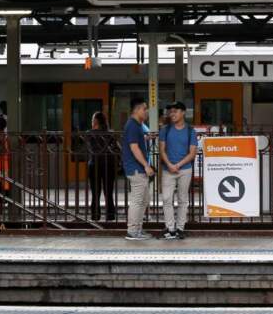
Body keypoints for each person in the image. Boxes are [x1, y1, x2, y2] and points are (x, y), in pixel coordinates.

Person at [158, 101, 198, 240]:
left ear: (183, 113)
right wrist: (169, 164)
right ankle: (170, 228)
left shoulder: (190, 130)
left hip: (185, 169)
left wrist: (178, 165)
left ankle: (180, 228)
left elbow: (192, 153)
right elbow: (161, 150)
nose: (172, 114)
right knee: (166, 199)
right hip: (168, 169)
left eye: (175, 111)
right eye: (171, 111)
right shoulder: (165, 130)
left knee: (182, 200)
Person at [122, 100, 155, 241]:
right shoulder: (133, 126)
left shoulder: (137, 126)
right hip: (136, 169)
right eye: (144, 109)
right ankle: (132, 231)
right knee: (137, 200)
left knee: (144, 199)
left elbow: (136, 142)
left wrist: (146, 138)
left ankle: (137, 229)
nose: (146, 111)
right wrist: (146, 166)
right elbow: (134, 148)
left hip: (138, 168)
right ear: (136, 110)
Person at [85, 111, 117, 222]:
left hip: (94, 165)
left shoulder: (89, 133)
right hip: (109, 165)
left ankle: (95, 216)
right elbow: (115, 149)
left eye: (92, 119)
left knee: (95, 192)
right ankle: (110, 216)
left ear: (95, 121)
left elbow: (90, 149)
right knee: (108, 192)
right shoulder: (110, 133)